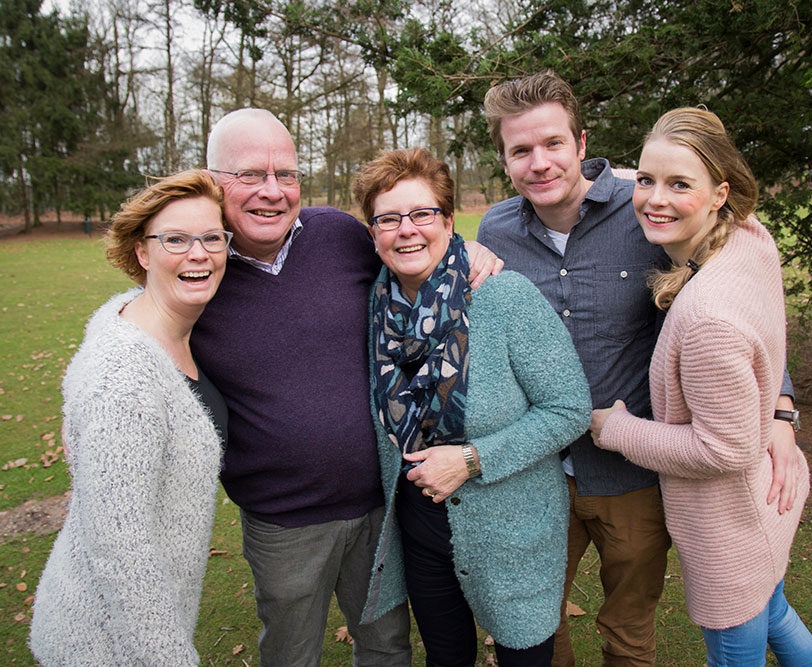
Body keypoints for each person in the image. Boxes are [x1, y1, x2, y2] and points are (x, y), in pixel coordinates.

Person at [477, 70, 804, 666]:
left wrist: (780, 407)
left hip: (633, 476)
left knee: (628, 629)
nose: (539, 162)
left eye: (553, 143)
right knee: (531, 624)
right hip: (537, 473)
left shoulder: (651, 210)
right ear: (504, 160)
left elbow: (744, 293)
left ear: (581, 143)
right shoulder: (496, 231)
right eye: (520, 150)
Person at [189, 109, 501, 667]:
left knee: (386, 645)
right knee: (291, 652)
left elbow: (411, 255)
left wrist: (468, 250)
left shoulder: (337, 234)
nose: (272, 191)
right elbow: (146, 323)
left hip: (380, 503)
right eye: (250, 175)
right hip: (281, 519)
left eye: (285, 174)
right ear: (213, 181)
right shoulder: (199, 269)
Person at [590, 107, 812, 666]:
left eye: (679, 185)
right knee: (780, 618)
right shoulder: (748, 238)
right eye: (645, 181)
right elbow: (661, 180)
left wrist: (617, 428)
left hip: (729, 526)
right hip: (763, 503)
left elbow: (723, 448)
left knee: (738, 649)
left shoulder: (706, 317)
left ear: (719, 193)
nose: (653, 199)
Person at [353, 147, 591, 666]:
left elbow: (569, 408)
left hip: (513, 534)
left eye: (422, 214)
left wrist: (471, 459)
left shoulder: (505, 298)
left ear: (447, 219)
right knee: (446, 657)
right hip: (419, 530)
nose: (406, 230)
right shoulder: (375, 307)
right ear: (372, 232)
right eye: (388, 218)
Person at [30, 170, 230, 665]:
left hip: (139, 623)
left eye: (211, 237)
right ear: (143, 252)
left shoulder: (140, 320)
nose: (199, 253)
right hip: (102, 640)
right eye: (176, 239)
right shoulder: (123, 375)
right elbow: (121, 549)